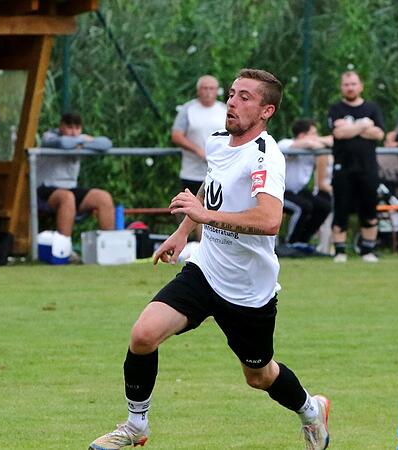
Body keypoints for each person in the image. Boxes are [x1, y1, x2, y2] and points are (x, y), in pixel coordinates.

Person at [88, 69, 330, 450]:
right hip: (205, 269)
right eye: (232, 94)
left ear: (267, 111)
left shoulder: (266, 157)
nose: (232, 102)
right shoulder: (219, 141)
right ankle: (136, 425)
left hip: (248, 291)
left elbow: (269, 221)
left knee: (260, 376)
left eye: (245, 97)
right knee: (143, 335)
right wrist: (183, 232)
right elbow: (210, 188)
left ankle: (311, 410)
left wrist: (205, 217)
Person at [328, 71, 385, 263]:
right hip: (342, 168)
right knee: (341, 208)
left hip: (368, 168)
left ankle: (367, 250)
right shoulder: (336, 108)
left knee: (369, 208)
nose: (350, 87)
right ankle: (340, 252)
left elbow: (378, 134)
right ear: (341, 87)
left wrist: (351, 127)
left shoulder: (372, 108)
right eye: (346, 84)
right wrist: (363, 126)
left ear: (360, 86)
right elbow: (339, 134)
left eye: (353, 84)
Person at [38, 112, 115, 238]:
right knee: (67, 198)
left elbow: (106, 144)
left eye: (77, 128)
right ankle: (63, 248)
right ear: (61, 127)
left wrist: (82, 144)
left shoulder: (80, 140)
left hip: (70, 188)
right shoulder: (49, 137)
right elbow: (63, 144)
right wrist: (83, 141)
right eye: (70, 128)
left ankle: (109, 247)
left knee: (103, 197)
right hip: (45, 189)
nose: (74, 132)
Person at [279, 118, 333, 250]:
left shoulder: (313, 147)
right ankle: (290, 243)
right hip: (280, 192)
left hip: (298, 191)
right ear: (302, 135)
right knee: (303, 207)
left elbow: (332, 140)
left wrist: (317, 142)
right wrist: (317, 143)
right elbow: (305, 144)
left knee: (324, 206)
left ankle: (302, 241)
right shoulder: (285, 143)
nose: (317, 137)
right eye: (314, 133)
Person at [171, 75, 228, 195]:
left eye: (211, 88)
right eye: (205, 88)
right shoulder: (188, 109)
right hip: (192, 173)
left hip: (219, 172)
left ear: (217, 91)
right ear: (198, 90)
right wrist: (198, 150)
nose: (208, 92)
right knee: (191, 210)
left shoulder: (224, 110)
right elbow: (176, 135)